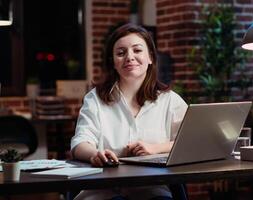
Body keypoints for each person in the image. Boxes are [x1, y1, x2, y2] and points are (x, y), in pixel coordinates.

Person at [71, 23, 188, 200]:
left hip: (152, 190)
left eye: (137, 50)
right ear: (113, 63)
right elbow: (80, 142)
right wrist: (94, 154)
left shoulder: (170, 100)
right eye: (121, 52)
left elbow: (190, 141)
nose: (129, 57)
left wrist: (155, 148)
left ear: (150, 58)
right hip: (103, 191)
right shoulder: (94, 99)